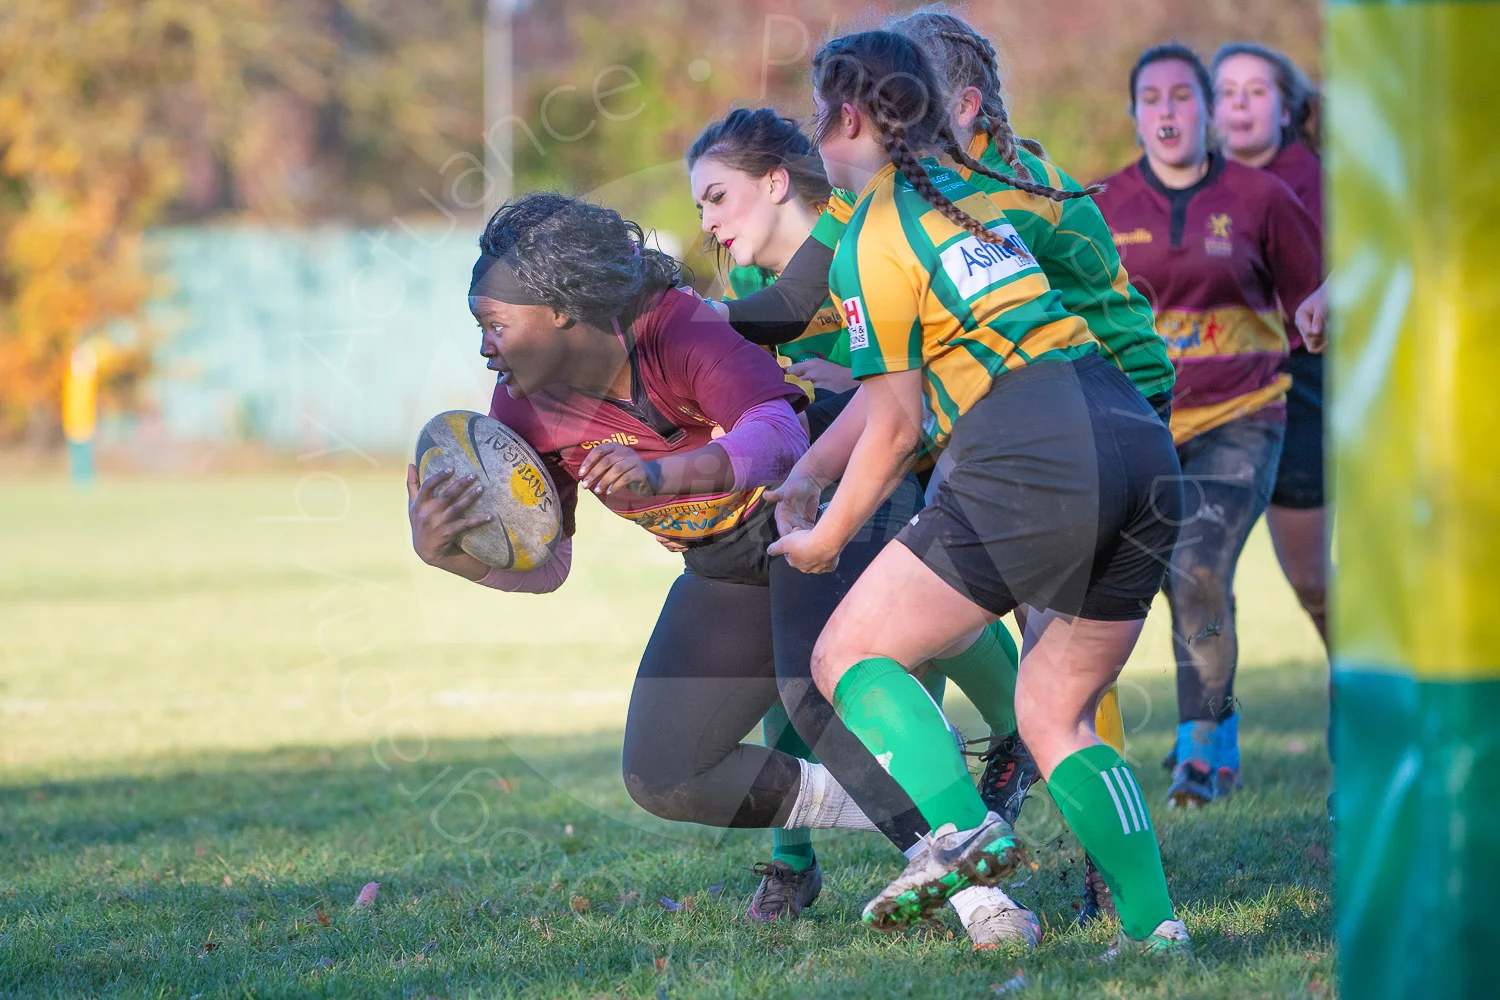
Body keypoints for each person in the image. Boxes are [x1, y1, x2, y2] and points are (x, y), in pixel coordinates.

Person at [406, 192, 1014, 944]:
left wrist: (666, 476)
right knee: (664, 772)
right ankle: (933, 796)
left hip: (815, 505)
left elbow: (783, 434)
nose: (486, 349)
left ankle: (980, 897)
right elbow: (551, 561)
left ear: (562, 309)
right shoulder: (521, 408)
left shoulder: (674, 324)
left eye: (494, 326)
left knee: (814, 693)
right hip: (726, 556)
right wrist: (450, 556)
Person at [767, 29, 1192, 957]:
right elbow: (907, 397)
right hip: (1136, 442)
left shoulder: (872, 236)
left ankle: (962, 834)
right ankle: (1159, 932)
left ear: (847, 118)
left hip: (1030, 454)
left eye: (816, 122)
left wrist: (824, 537)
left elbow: (895, 425)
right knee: (1053, 711)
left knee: (847, 654)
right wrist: (810, 474)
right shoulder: (975, 201)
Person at [685, 108, 1037, 947]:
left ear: (776, 183)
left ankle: (1015, 737)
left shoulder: (854, 229)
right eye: (699, 207)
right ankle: (792, 855)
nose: (709, 223)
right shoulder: (743, 294)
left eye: (718, 198)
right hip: (811, 475)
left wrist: (835, 376)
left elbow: (902, 360)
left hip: (899, 458)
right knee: (799, 656)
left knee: (900, 639)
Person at [887, 3, 1178, 923]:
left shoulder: (999, 187)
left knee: (1063, 658)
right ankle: (1021, 796)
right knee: (1046, 658)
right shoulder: (974, 180)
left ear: (966, 107)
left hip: (1101, 411)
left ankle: (1100, 866)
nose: (890, 124)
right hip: (1064, 417)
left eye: (907, 102)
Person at [1092, 44, 1323, 805]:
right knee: (1175, 580)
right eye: (1151, 98)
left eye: (1183, 97)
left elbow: (1314, 303)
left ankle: (1204, 749)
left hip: (1246, 414)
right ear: (1135, 115)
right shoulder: (1104, 208)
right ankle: (1213, 729)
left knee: (1197, 563)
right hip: (1147, 421)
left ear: (1207, 112)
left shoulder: (1262, 198)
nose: (1166, 111)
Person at [1212, 41, 1329, 646]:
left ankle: (1358, 693)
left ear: (1286, 110)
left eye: (1256, 92)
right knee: (1196, 573)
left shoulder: (1307, 180)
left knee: (1310, 577)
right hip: (1209, 392)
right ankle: (1207, 736)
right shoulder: (1186, 182)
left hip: (1296, 382)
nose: (1240, 104)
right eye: (1227, 92)